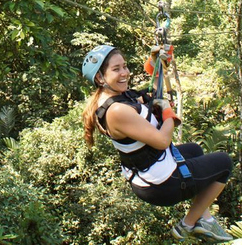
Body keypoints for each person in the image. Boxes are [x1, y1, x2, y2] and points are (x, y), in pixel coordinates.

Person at [81, 44, 233, 242]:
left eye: (125, 66)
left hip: (149, 171)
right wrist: (168, 114)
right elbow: (162, 141)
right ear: (100, 78)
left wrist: (155, 65)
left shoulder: (117, 96)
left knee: (195, 150)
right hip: (160, 185)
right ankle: (188, 224)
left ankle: (203, 216)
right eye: (116, 69)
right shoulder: (117, 111)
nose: (124, 73)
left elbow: (149, 96)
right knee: (224, 164)